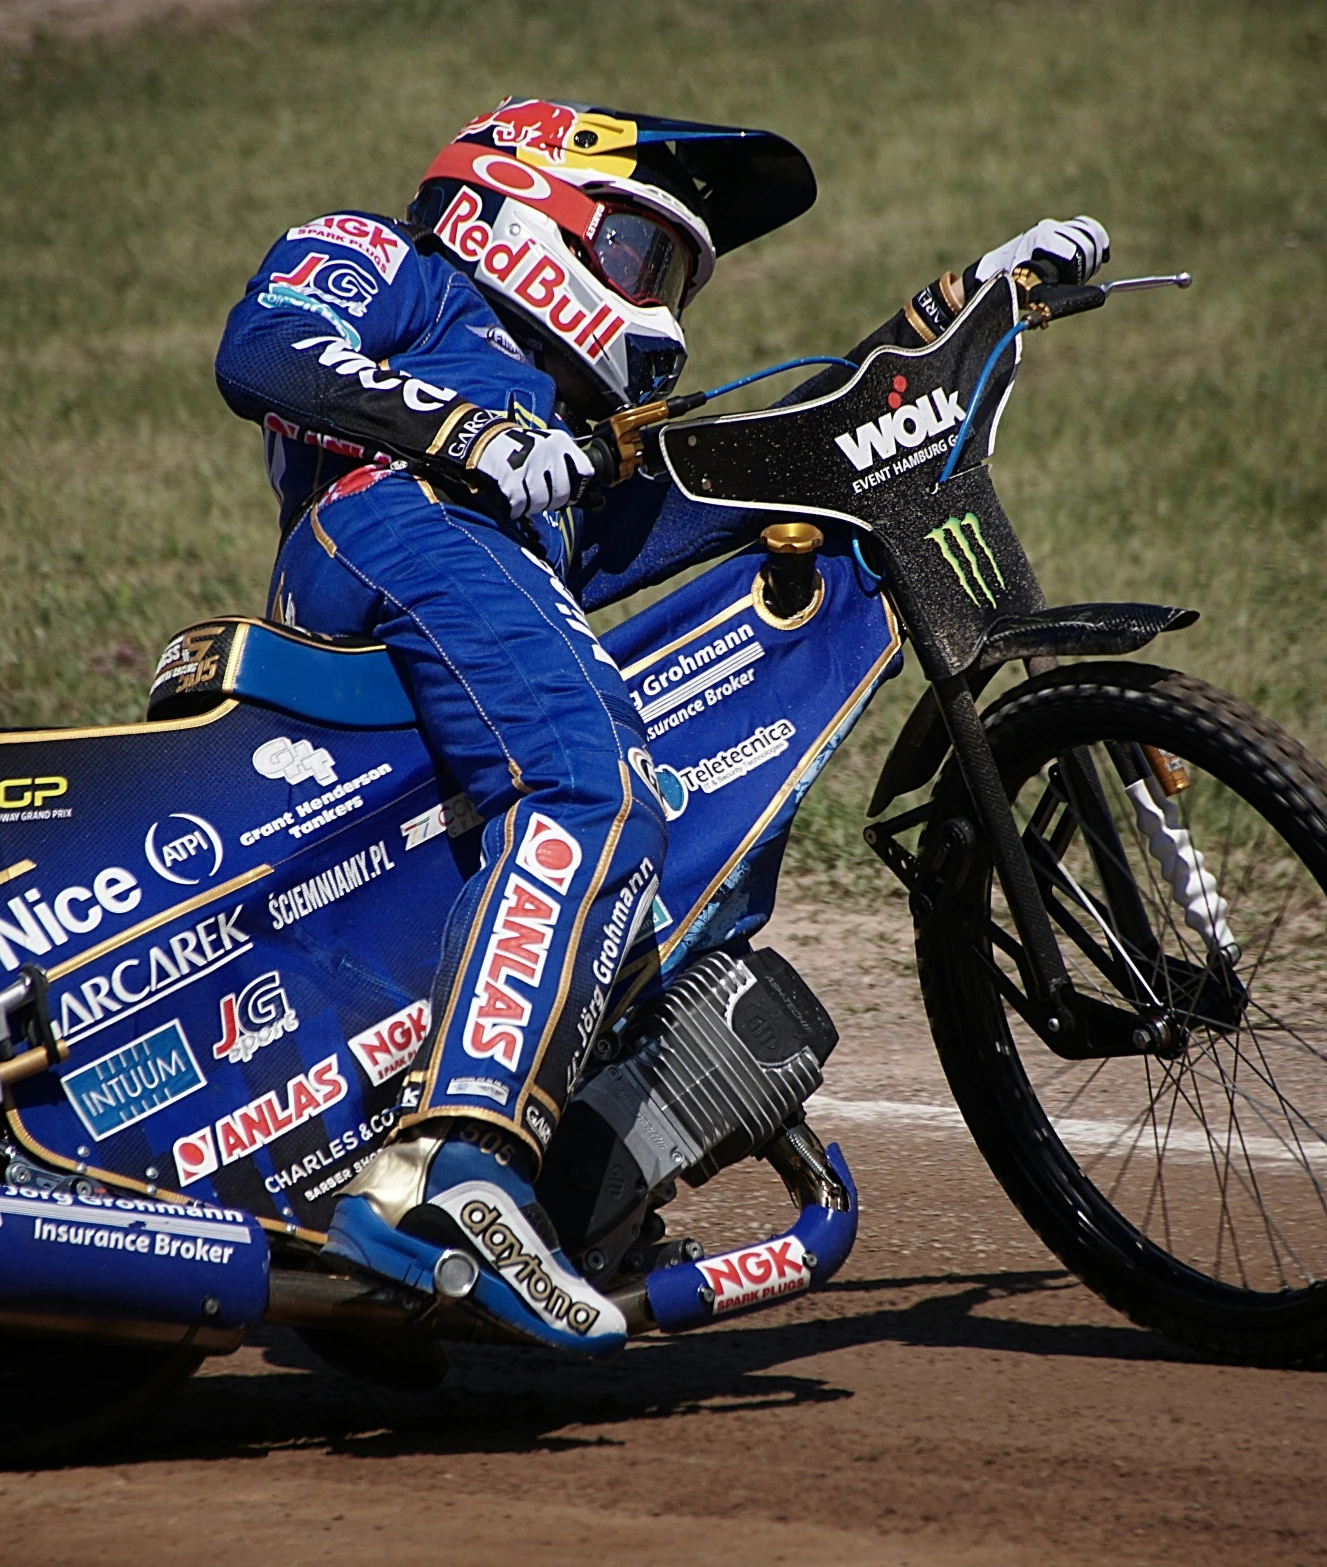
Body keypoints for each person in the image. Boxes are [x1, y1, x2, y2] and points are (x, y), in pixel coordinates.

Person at [215, 98, 1109, 1356]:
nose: (663, 304)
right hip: (400, 521)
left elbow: (801, 446)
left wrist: (963, 304)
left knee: (673, 848)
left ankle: (530, 1205)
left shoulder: (573, 454)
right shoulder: (393, 255)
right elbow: (261, 348)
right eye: (643, 256)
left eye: (679, 277)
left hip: (466, 562)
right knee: (595, 787)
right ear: (522, 207)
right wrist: (460, 428)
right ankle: (457, 1173)